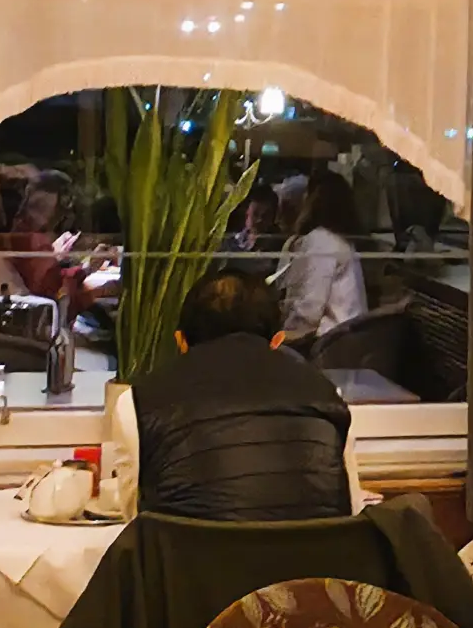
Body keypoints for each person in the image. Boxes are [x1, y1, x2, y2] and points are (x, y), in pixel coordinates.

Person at [130, 269, 354, 520]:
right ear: (276, 342)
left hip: (193, 558)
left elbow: (130, 517)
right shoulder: (326, 395)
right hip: (320, 557)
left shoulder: (142, 399)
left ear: (181, 342)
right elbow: (350, 507)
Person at [272, 171, 368, 344]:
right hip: (348, 341)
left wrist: (279, 337)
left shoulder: (321, 240)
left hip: (329, 344)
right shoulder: (343, 240)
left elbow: (309, 310)